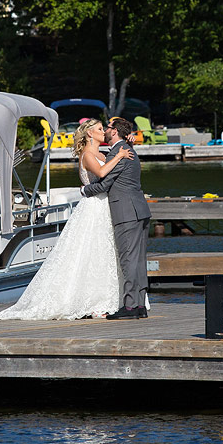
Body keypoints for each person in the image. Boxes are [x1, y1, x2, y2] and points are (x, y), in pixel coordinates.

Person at [0, 118, 136, 320]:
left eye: (105, 129)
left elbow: (114, 164)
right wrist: (119, 155)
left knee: (106, 253)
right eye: (100, 129)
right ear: (90, 134)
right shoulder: (87, 155)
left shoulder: (104, 153)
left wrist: (126, 145)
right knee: (90, 252)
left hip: (106, 207)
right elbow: (102, 172)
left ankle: (107, 299)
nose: (104, 132)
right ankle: (88, 301)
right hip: (93, 208)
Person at [80, 116, 151, 320]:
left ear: (114, 132)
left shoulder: (120, 154)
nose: (105, 130)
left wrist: (84, 190)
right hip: (138, 211)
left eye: (108, 127)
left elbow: (103, 184)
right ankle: (139, 305)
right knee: (138, 260)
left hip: (127, 213)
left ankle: (130, 307)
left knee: (128, 259)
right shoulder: (126, 150)